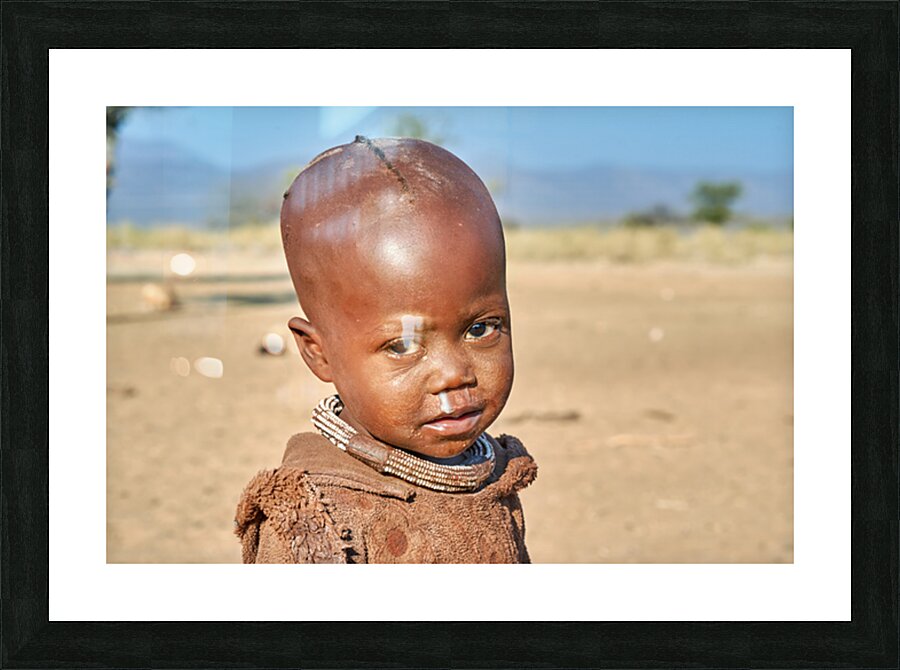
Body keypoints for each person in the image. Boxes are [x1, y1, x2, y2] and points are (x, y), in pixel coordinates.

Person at [234, 136, 537, 563]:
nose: (454, 373)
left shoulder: (494, 471)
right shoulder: (313, 518)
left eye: (481, 328)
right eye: (403, 345)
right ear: (318, 353)